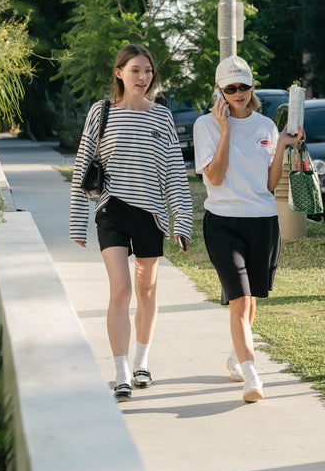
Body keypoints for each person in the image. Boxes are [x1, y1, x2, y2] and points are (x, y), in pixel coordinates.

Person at [70, 44, 193, 402]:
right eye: (135, 70)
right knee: (121, 288)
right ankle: (121, 370)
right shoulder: (101, 112)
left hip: (151, 214)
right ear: (119, 73)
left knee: (147, 291)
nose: (143, 77)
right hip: (112, 210)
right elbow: (83, 167)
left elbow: (173, 172)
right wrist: (78, 222)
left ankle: (142, 362)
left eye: (148, 71)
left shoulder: (161, 117)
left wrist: (182, 220)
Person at [193, 55, 303, 403]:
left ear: (251, 87)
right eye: (230, 88)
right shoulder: (205, 125)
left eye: (243, 86)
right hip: (223, 222)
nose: (238, 93)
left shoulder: (266, 127)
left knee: (251, 299)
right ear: (219, 91)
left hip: (262, 222)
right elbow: (214, 176)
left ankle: (235, 355)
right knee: (240, 299)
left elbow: (269, 185)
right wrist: (226, 130)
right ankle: (252, 375)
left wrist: (282, 146)